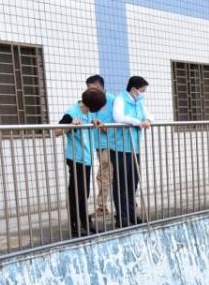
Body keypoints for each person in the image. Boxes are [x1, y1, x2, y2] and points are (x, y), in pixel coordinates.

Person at [56, 88, 107, 237]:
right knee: (76, 193)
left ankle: (86, 223)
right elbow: (56, 132)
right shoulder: (71, 113)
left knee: (84, 192)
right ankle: (75, 227)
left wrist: (95, 121)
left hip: (86, 158)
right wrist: (71, 124)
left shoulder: (89, 112)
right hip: (76, 158)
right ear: (91, 105)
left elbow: (90, 121)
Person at [110, 75, 152, 227]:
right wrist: (137, 122)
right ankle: (122, 217)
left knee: (133, 182)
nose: (143, 94)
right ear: (134, 89)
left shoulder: (138, 102)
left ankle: (132, 214)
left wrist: (147, 120)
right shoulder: (120, 99)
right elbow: (118, 117)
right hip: (120, 148)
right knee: (121, 183)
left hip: (135, 148)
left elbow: (148, 115)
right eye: (142, 91)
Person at [85, 74, 115, 217]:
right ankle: (129, 201)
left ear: (100, 87)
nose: (90, 92)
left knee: (103, 176)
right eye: (88, 89)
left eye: (92, 88)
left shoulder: (112, 101)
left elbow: (120, 120)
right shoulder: (90, 102)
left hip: (110, 144)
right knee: (110, 175)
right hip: (99, 145)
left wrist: (107, 128)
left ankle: (102, 208)